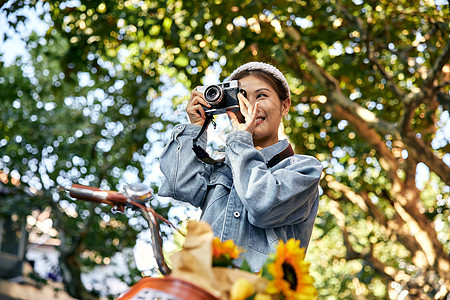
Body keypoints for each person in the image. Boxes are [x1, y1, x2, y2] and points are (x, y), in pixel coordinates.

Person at [159, 62, 323, 271]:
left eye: (262, 96)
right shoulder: (221, 165)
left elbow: (262, 205)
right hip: (204, 286)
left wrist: (239, 141)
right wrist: (195, 127)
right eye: (242, 97)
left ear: (285, 105)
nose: (252, 107)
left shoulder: (305, 169)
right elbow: (180, 187)